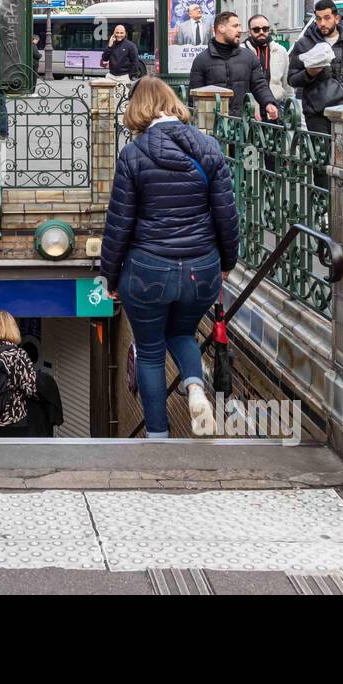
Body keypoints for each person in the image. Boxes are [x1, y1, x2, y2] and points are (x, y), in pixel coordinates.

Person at [100, 76, 240, 439]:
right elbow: (226, 213)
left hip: (149, 268)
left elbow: (119, 223)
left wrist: (110, 276)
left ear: (138, 109)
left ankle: (158, 436)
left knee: (149, 352)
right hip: (201, 268)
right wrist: (227, 262)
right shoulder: (209, 147)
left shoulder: (133, 154)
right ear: (171, 102)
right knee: (183, 332)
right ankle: (194, 386)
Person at [288, 0, 343, 137]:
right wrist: (309, 73)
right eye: (318, 19)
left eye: (327, 18)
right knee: (323, 155)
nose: (322, 23)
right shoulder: (304, 44)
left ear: (336, 19)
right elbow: (292, 79)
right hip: (316, 112)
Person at [187, 12, 280, 120]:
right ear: (221, 28)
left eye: (240, 26)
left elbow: (259, 85)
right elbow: (194, 97)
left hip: (242, 125)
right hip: (213, 125)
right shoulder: (201, 60)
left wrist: (269, 103)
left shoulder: (249, 57)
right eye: (235, 26)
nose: (240, 30)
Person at [243, 14, 292, 113]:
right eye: (256, 29)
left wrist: (289, 107)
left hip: (276, 106)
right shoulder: (241, 51)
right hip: (249, 107)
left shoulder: (280, 51)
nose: (261, 32)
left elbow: (287, 83)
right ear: (249, 32)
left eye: (265, 29)